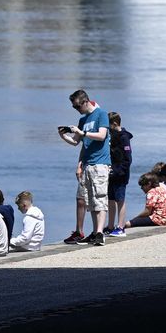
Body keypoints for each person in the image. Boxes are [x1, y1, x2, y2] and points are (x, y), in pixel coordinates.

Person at [57, 89, 111, 246]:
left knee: (100, 198)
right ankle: (95, 232)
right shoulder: (83, 119)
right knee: (91, 201)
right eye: (74, 107)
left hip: (100, 163)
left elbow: (101, 135)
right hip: (87, 164)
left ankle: (100, 233)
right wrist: (64, 136)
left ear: (86, 101)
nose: (76, 109)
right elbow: (76, 142)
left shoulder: (101, 114)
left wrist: (83, 132)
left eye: (77, 106)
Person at [104, 111, 133, 237]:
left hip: (121, 173)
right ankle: (110, 226)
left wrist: (119, 171)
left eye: (108, 126)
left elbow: (128, 159)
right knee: (110, 199)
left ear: (114, 124)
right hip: (110, 172)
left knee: (120, 200)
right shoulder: (111, 136)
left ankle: (120, 227)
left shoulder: (124, 137)